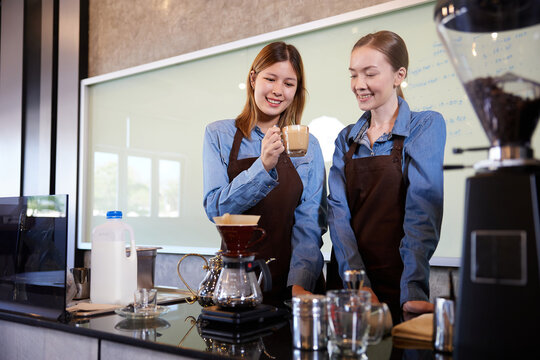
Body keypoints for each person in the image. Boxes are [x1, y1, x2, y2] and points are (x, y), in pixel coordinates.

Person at [326, 31, 446, 323]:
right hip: (346, 284)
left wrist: (412, 292)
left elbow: (422, 214)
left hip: (402, 284)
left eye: (370, 74)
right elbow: (338, 216)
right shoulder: (345, 139)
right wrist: (359, 287)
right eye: (353, 75)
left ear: (398, 75)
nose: (359, 85)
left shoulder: (424, 126)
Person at [203, 41, 327, 306]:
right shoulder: (219, 135)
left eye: (288, 83)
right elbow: (217, 210)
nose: (277, 91)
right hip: (238, 285)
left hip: (296, 286)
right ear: (252, 78)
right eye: (270, 79)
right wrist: (263, 166)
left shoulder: (308, 144)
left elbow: (310, 222)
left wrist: (300, 284)